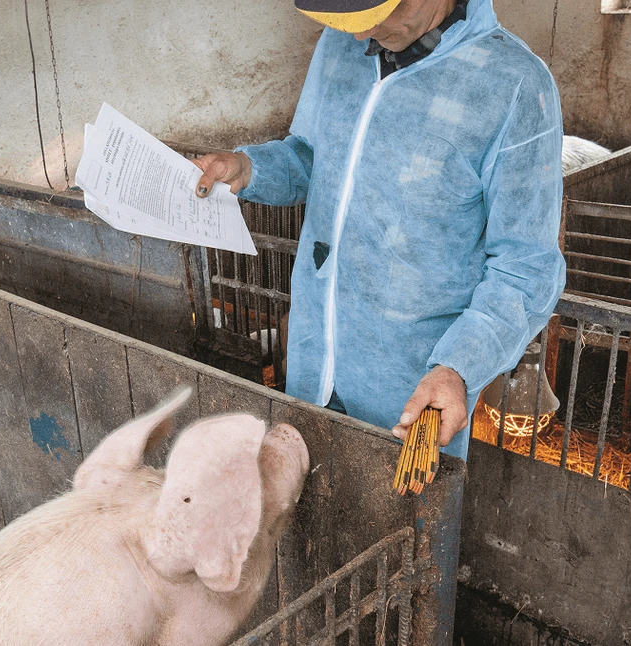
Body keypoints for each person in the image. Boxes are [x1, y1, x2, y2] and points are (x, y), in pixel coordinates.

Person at [193, 0, 565, 460]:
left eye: (371, 16)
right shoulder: (341, 45)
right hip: (312, 363)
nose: (355, 36)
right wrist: (249, 169)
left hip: (413, 396)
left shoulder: (516, 86)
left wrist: (459, 368)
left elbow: (525, 267)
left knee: (402, 526)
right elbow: (312, 157)